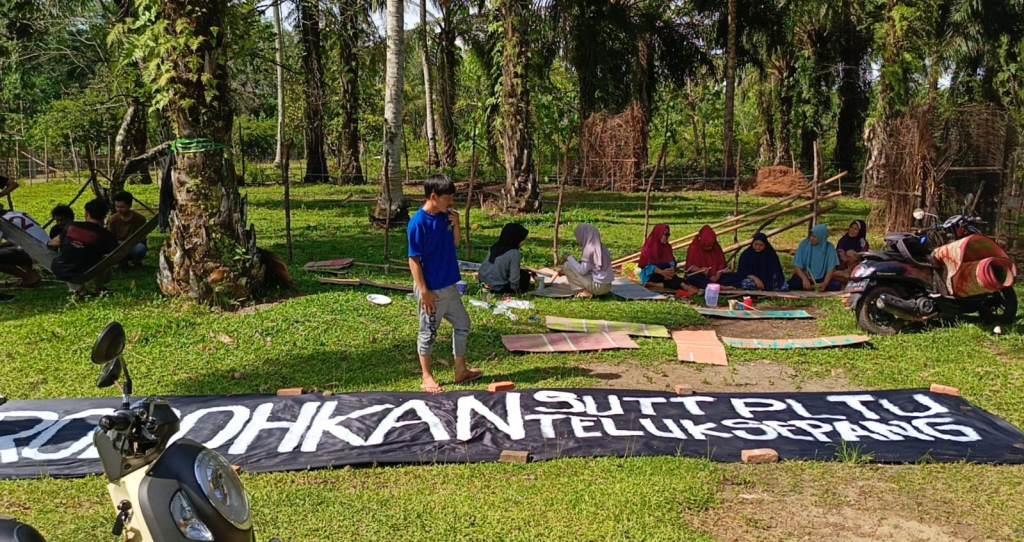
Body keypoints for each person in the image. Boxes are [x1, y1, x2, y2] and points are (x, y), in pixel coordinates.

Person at [408, 176, 481, 393]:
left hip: (449, 286)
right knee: (428, 332)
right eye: (447, 198)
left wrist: (456, 224)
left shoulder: (445, 217)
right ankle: (427, 376)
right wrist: (424, 291)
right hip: (431, 290)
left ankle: (461, 370)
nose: (451, 202)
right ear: (433, 196)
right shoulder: (418, 224)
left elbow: (455, 243)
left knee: (463, 324)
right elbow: (414, 260)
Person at [52, 198, 118, 298]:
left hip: (61, 269)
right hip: (86, 271)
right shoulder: (106, 236)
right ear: (104, 216)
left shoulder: (71, 227)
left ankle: (80, 290)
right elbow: (113, 253)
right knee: (104, 258)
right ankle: (97, 287)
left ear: (87, 213)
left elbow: (52, 243)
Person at [638, 224, 697, 295]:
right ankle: (685, 286)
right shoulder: (649, 247)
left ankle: (654, 284)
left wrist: (671, 269)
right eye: (665, 234)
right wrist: (662, 272)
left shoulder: (667, 247)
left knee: (673, 279)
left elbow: (672, 261)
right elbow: (647, 266)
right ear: (659, 234)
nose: (667, 237)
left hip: (665, 275)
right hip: (651, 274)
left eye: (668, 234)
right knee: (674, 280)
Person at [559, 224, 613, 297]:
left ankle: (582, 291)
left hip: (598, 287)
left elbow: (582, 271)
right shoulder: (602, 247)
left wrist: (569, 258)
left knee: (567, 265)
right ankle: (590, 291)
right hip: (608, 286)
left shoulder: (589, 249)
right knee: (575, 266)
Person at [479, 223, 533, 294]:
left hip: (484, 283)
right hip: (498, 287)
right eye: (522, 240)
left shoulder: (494, 247)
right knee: (525, 276)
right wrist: (515, 289)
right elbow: (514, 277)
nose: (523, 242)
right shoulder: (514, 253)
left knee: (522, 272)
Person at [788, 223, 842, 291]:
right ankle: (809, 286)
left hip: (822, 278)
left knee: (836, 285)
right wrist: (804, 279)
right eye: (811, 236)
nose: (811, 238)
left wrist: (825, 283)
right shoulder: (804, 244)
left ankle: (815, 287)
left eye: (814, 237)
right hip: (806, 276)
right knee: (794, 284)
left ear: (821, 237)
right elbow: (797, 266)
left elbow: (830, 269)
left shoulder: (830, 248)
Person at [107, 191, 148, 267]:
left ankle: (136, 261)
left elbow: (142, 238)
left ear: (129, 206)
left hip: (133, 245)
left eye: (122, 207)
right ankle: (122, 262)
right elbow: (110, 237)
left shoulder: (140, 219)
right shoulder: (113, 219)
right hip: (119, 245)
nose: (119, 209)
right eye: (117, 207)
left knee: (140, 248)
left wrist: (130, 243)